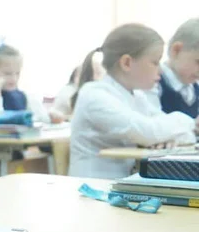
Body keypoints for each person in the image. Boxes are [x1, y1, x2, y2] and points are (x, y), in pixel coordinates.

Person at [69, 24, 198, 179]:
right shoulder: (94, 95)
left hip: (123, 183)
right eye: (155, 62)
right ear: (127, 63)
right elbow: (148, 132)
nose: (160, 70)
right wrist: (189, 123)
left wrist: (169, 137)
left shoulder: (138, 96)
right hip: (91, 186)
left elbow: (181, 135)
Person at [0, 44, 65, 123]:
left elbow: (41, 117)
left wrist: (52, 116)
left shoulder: (22, 96)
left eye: (17, 73)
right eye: (7, 73)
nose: (14, 79)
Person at [147, 18, 199, 117]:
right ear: (176, 50)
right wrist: (192, 123)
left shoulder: (196, 88)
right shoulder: (152, 84)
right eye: (198, 62)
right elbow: (153, 121)